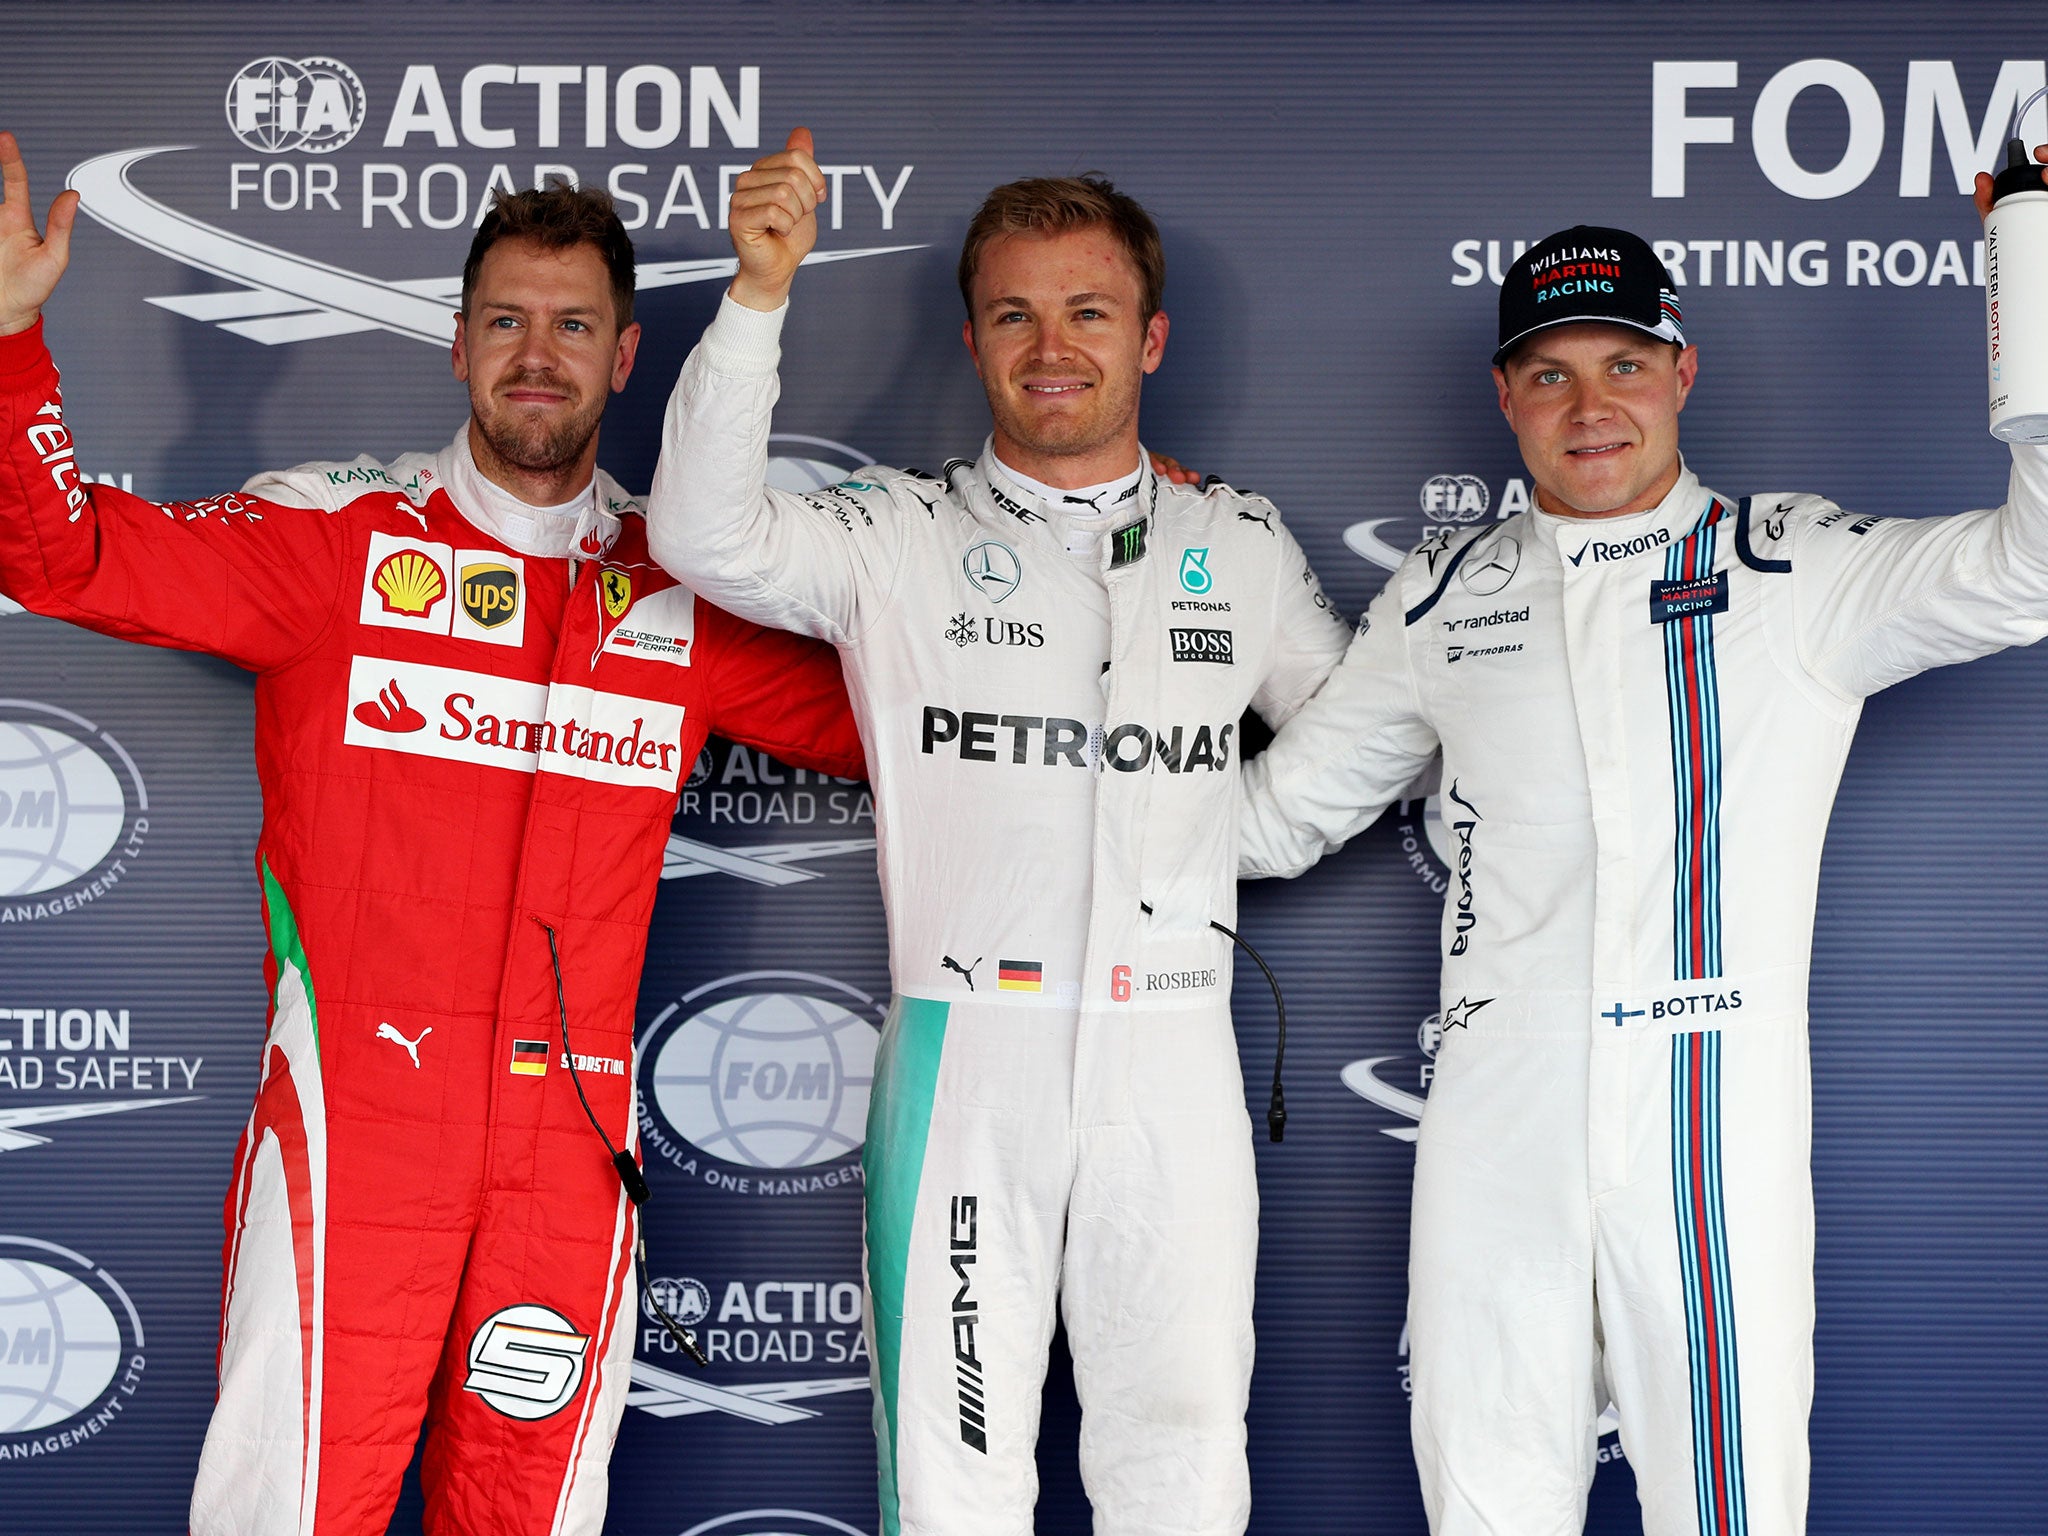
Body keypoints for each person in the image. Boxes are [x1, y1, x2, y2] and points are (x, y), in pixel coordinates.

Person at [0, 132, 865, 1535]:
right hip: (359, 1132)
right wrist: (10, 342)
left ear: (627, 359)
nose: (539, 354)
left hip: (571, 1158)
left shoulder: (681, 591)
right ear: (456, 347)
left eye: (573, 325)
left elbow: (916, 724)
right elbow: (64, 554)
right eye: (507, 323)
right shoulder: (335, 543)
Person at [1237, 146, 2048, 1536]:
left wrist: (2030, 264)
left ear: (1683, 370)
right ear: (1504, 398)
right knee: (1487, 1503)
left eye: (1623, 362)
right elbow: (1274, 816)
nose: (1590, 403)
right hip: (1500, 1120)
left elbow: (2033, 569)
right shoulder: (1441, 597)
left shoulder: (1799, 570)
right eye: (1550, 373)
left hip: (1709, 1120)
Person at [645, 128, 1353, 1536]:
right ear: (972, 342)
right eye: (1016, 314)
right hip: (966, 1065)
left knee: (1186, 1463)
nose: (1052, 346)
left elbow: (1359, 732)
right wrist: (757, 295)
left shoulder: (1242, 543)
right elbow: (702, 536)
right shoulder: (894, 532)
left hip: (1175, 1059)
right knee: (953, 1479)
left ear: (1150, 339)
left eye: (1088, 311)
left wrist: (1229, 843)